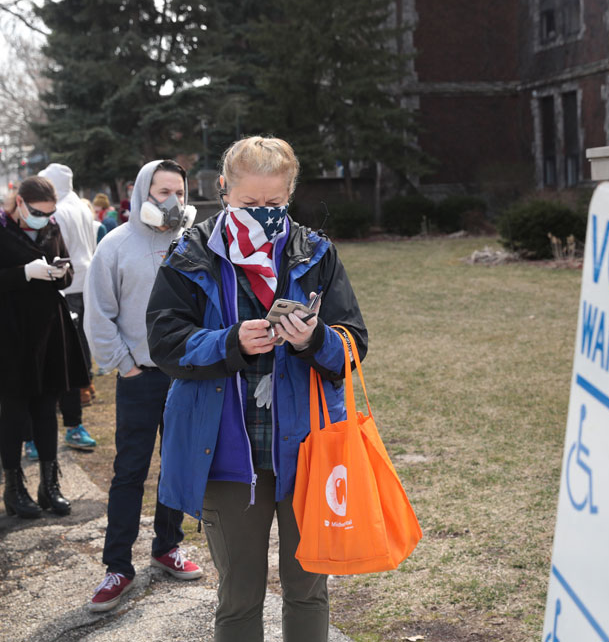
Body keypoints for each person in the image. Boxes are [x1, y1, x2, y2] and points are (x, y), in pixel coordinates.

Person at [145, 136, 367, 641]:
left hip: (309, 449)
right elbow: (164, 342)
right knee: (240, 594)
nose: (263, 214)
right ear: (223, 190)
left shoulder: (316, 252)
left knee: (308, 589)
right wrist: (229, 343)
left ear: (290, 194)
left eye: (274, 204)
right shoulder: (191, 253)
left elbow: (354, 344)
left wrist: (316, 340)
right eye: (250, 203)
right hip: (223, 451)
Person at [83, 159, 203, 612]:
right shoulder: (114, 246)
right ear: (140, 193)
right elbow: (99, 315)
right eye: (161, 192)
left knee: (176, 464)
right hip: (140, 375)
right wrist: (126, 365)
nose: (171, 202)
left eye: (178, 192)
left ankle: (167, 545)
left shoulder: (193, 243)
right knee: (130, 470)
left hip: (186, 375)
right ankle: (117, 567)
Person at [0, 177, 89, 519]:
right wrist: (24, 273)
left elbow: (65, 264)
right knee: (14, 412)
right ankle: (14, 488)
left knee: (48, 408)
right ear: (19, 202)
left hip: (48, 327)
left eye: (48, 214)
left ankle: (50, 485)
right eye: (36, 212)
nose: (43, 219)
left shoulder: (51, 225)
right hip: (8, 331)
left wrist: (60, 272)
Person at [42, 163, 98, 450]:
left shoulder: (59, 211)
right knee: (82, 338)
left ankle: (82, 387)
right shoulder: (80, 206)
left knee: (71, 342)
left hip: (70, 280)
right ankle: (86, 384)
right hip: (85, 275)